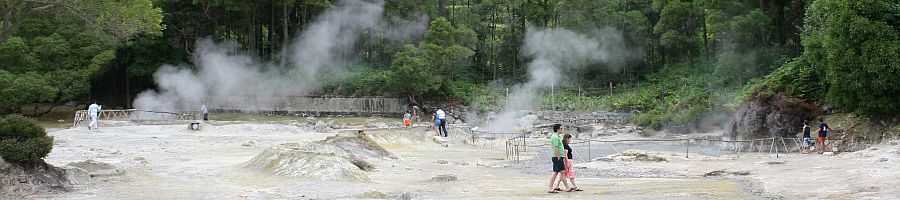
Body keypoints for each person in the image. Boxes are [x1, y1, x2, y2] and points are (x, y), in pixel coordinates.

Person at [547, 124, 572, 193]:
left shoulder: (557, 136)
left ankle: (567, 187)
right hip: (557, 157)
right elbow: (556, 148)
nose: (562, 129)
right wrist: (559, 157)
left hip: (558, 157)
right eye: (561, 128)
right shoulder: (555, 137)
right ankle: (550, 188)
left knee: (561, 172)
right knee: (556, 172)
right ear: (557, 129)